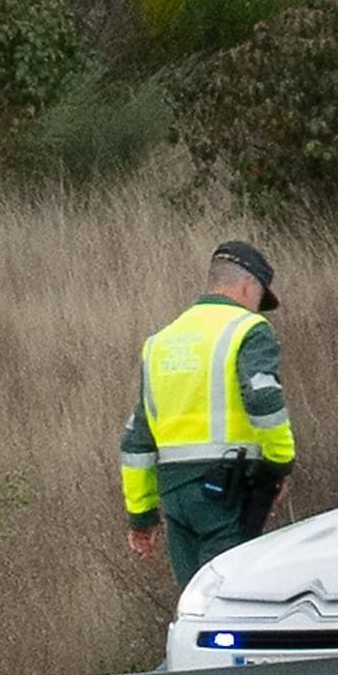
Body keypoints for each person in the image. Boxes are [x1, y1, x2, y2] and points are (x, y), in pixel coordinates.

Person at [122, 241, 296, 589]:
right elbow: (263, 399)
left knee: (194, 605)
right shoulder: (248, 329)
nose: (258, 308)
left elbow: (136, 439)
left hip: (175, 497)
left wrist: (141, 516)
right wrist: (279, 466)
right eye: (261, 297)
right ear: (249, 285)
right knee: (229, 602)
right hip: (227, 490)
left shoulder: (161, 342)